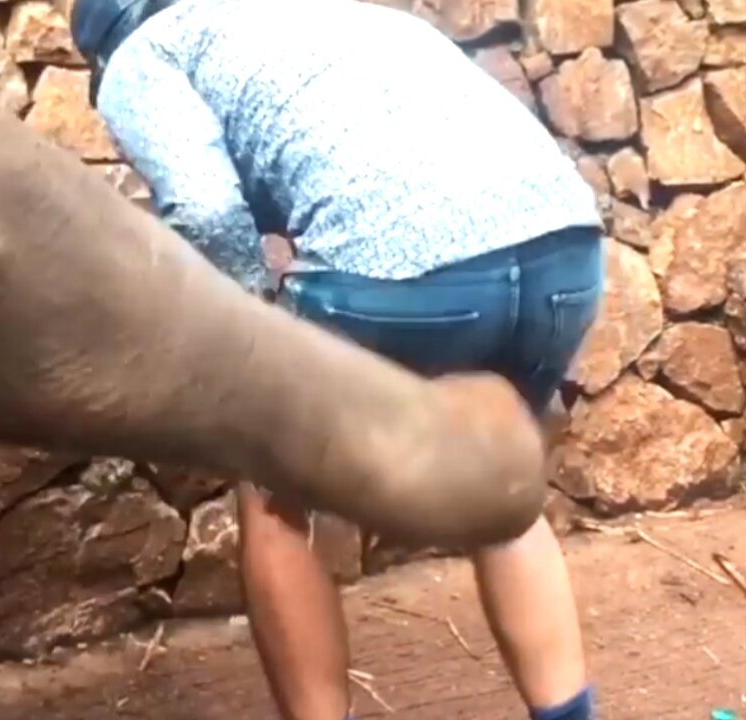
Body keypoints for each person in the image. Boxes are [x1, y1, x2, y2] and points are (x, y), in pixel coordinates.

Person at [68, 1, 605, 719]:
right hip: (563, 249)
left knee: (271, 496)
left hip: (405, 273)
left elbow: (203, 207)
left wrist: (253, 324)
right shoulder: (318, 13)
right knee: (499, 481)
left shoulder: (145, 52)